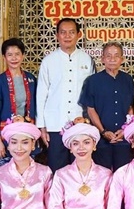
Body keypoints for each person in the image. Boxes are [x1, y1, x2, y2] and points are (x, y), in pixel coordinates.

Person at [36, 18, 95, 172]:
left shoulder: (87, 59)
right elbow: (41, 94)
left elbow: (92, 94)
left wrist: (90, 122)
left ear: (79, 35)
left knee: (80, 169)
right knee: (57, 169)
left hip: (80, 124)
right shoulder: (48, 61)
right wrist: (42, 126)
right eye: (63, 32)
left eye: (71, 32)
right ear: (57, 35)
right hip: (55, 124)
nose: (67, 36)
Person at [48, 119, 113, 209]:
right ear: (70, 148)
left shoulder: (106, 174)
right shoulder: (61, 175)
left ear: (94, 145)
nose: (81, 148)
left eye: (86, 142)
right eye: (75, 143)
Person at [78, 42, 134, 170]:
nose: (112, 59)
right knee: (102, 174)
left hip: (123, 139)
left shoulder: (127, 80)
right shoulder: (93, 81)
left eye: (116, 56)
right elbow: (90, 109)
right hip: (101, 140)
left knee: (122, 173)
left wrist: (125, 129)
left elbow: (130, 107)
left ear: (122, 59)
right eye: (108, 56)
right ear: (102, 59)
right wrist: (103, 131)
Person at [0, 38, 38, 166]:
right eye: (9, 55)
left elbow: (37, 106)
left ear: (23, 55)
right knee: (8, 171)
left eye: (17, 54)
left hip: (27, 133)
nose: (14, 58)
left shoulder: (31, 78)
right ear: (4, 57)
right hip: (7, 135)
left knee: (28, 170)